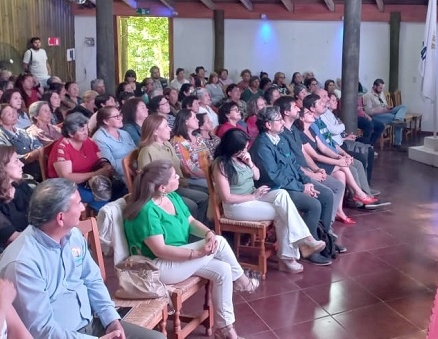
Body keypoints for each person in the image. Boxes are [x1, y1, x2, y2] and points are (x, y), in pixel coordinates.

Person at [0, 178, 164, 339]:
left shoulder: (73, 235)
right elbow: (41, 329)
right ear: (60, 218)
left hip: (92, 324)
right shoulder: (22, 264)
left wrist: (111, 320)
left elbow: (92, 280)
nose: (83, 208)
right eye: (77, 204)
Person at [124, 160, 257, 339]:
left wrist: (208, 234)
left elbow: (191, 222)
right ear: (162, 187)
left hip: (179, 260)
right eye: (174, 176)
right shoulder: (146, 211)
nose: (178, 176)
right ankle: (242, 281)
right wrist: (198, 253)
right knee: (220, 242)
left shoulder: (171, 197)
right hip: (157, 268)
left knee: (223, 269)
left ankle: (225, 329)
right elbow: (160, 250)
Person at [213, 129, 325, 273]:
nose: (244, 150)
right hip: (236, 206)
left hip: (253, 196)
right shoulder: (221, 165)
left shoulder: (241, 157)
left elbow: (257, 176)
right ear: (232, 148)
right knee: (282, 211)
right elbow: (227, 197)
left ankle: (303, 241)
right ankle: (290, 256)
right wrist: (253, 197)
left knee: (282, 195)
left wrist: (250, 163)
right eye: (241, 149)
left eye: (245, 147)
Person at [249, 107, 336, 266]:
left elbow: (294, 165)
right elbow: (275, 176)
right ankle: (310, 250)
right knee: (313, 204)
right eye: (278, 120)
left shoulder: (280, 138)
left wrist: (306, 182)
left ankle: (324, 238)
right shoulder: (262, 146)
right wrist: (301, 188)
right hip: (276, 189)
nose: (282, 122)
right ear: (268, 125)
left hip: (293, 183)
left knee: (327, 195)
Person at [275, 97, 348, 230]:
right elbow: (291, 164)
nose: (299, 108)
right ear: (286, 112)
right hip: (298, 175)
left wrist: (315, 169)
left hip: (307, 170)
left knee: (337, 185)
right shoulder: (281, 135)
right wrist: (310, 175)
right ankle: (322, 232)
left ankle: (326, 230)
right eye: (295, 107)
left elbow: (305, 155)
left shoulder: (294, 131)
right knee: (326, 194)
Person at [136, 114, 210, 225]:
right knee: (193, 205)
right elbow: (146, 181)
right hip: (163, 192)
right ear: (155, 132)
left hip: (178, 184)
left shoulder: (166, 144)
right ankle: (189, 233)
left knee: (205, 195)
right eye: (166, 126)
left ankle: (201, 229)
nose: (170, 129)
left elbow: (178, 165)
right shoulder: (147, 151)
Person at [48, 113, 119, 211]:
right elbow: (67, 177)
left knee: (119, 187)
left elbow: (101, 160)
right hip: (68, 187)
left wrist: (106, 166)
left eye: (86, 128)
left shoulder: (88, 141)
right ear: (70, 133)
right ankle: (100, 220)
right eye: (82, 130)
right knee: (102, 195)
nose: (86, 132)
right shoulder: (62, 147)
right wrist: (96, 173)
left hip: (90, 181)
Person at [0, 104, 44, 181]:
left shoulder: (21, 131)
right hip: (15, 176)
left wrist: (37, 151)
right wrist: (31, 155)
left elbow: (37, 144)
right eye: (9, 114)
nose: (13, 115)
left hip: (34, 167)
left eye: (13, 112)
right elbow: (6, 162)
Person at [93, 106, 136, 183]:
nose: (121, 118)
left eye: (120, 115)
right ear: (106, 121)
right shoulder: (99, 139)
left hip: (136, 170)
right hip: (121, 178)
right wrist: (134, 169)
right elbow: (111, 166)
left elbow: (136, 152)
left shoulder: (124, 133)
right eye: (116, 117)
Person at [363, 78, 408, 150]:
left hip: (386, 112)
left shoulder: (381, 93)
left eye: (382, 88)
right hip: (376, 116)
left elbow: (384, 104)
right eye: (380, 88)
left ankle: (397, 119)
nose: (381, 90)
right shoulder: (368, 96)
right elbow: (368, 112)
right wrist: (382, 111)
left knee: (403, 107)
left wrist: (387, 107)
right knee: (397, 120)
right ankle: (397, 144)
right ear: (374, 86)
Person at [171, 109, 211, 191]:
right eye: (194, 118)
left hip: (208, 173)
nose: (197, 120)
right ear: (186, 121)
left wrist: (214, 172)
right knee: (216, 187)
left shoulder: (198, 137)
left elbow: (209, 156)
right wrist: (208, 176)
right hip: (193, 179)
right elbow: (189, 168)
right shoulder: (179, 142)